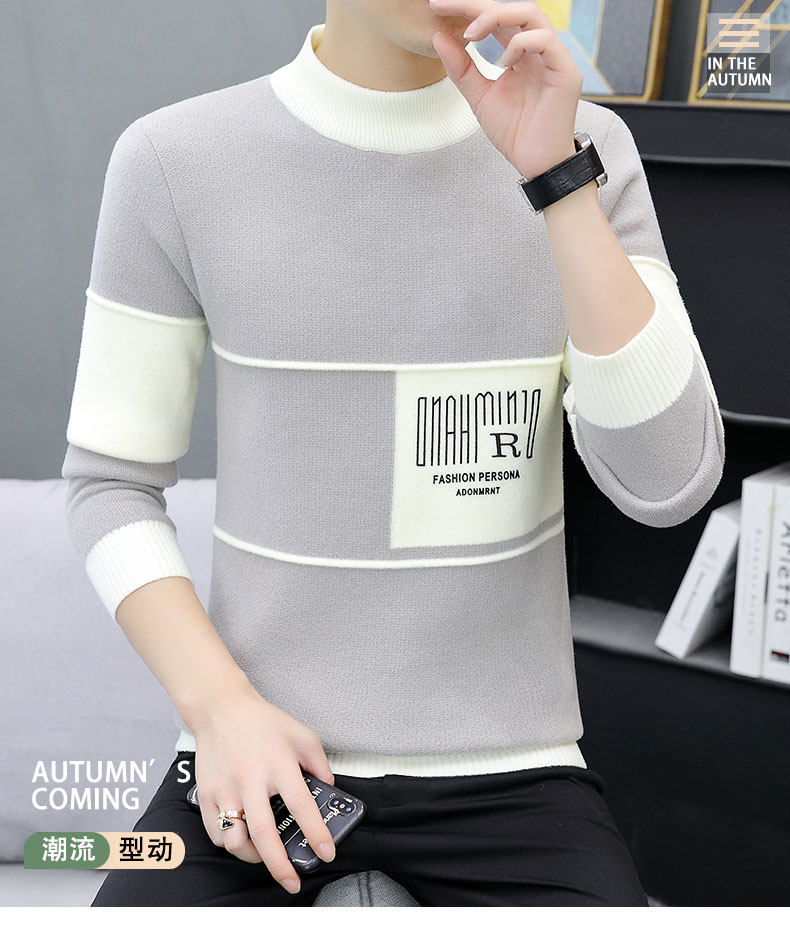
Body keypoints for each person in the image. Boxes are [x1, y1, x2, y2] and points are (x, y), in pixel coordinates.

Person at [62, 0, 724, 907]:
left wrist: (556, 180)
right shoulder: (175, 160)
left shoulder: (586, 145)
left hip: (515, 772)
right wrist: (220, 709)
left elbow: (670, 480)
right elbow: (109, 485)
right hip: (255, 761)